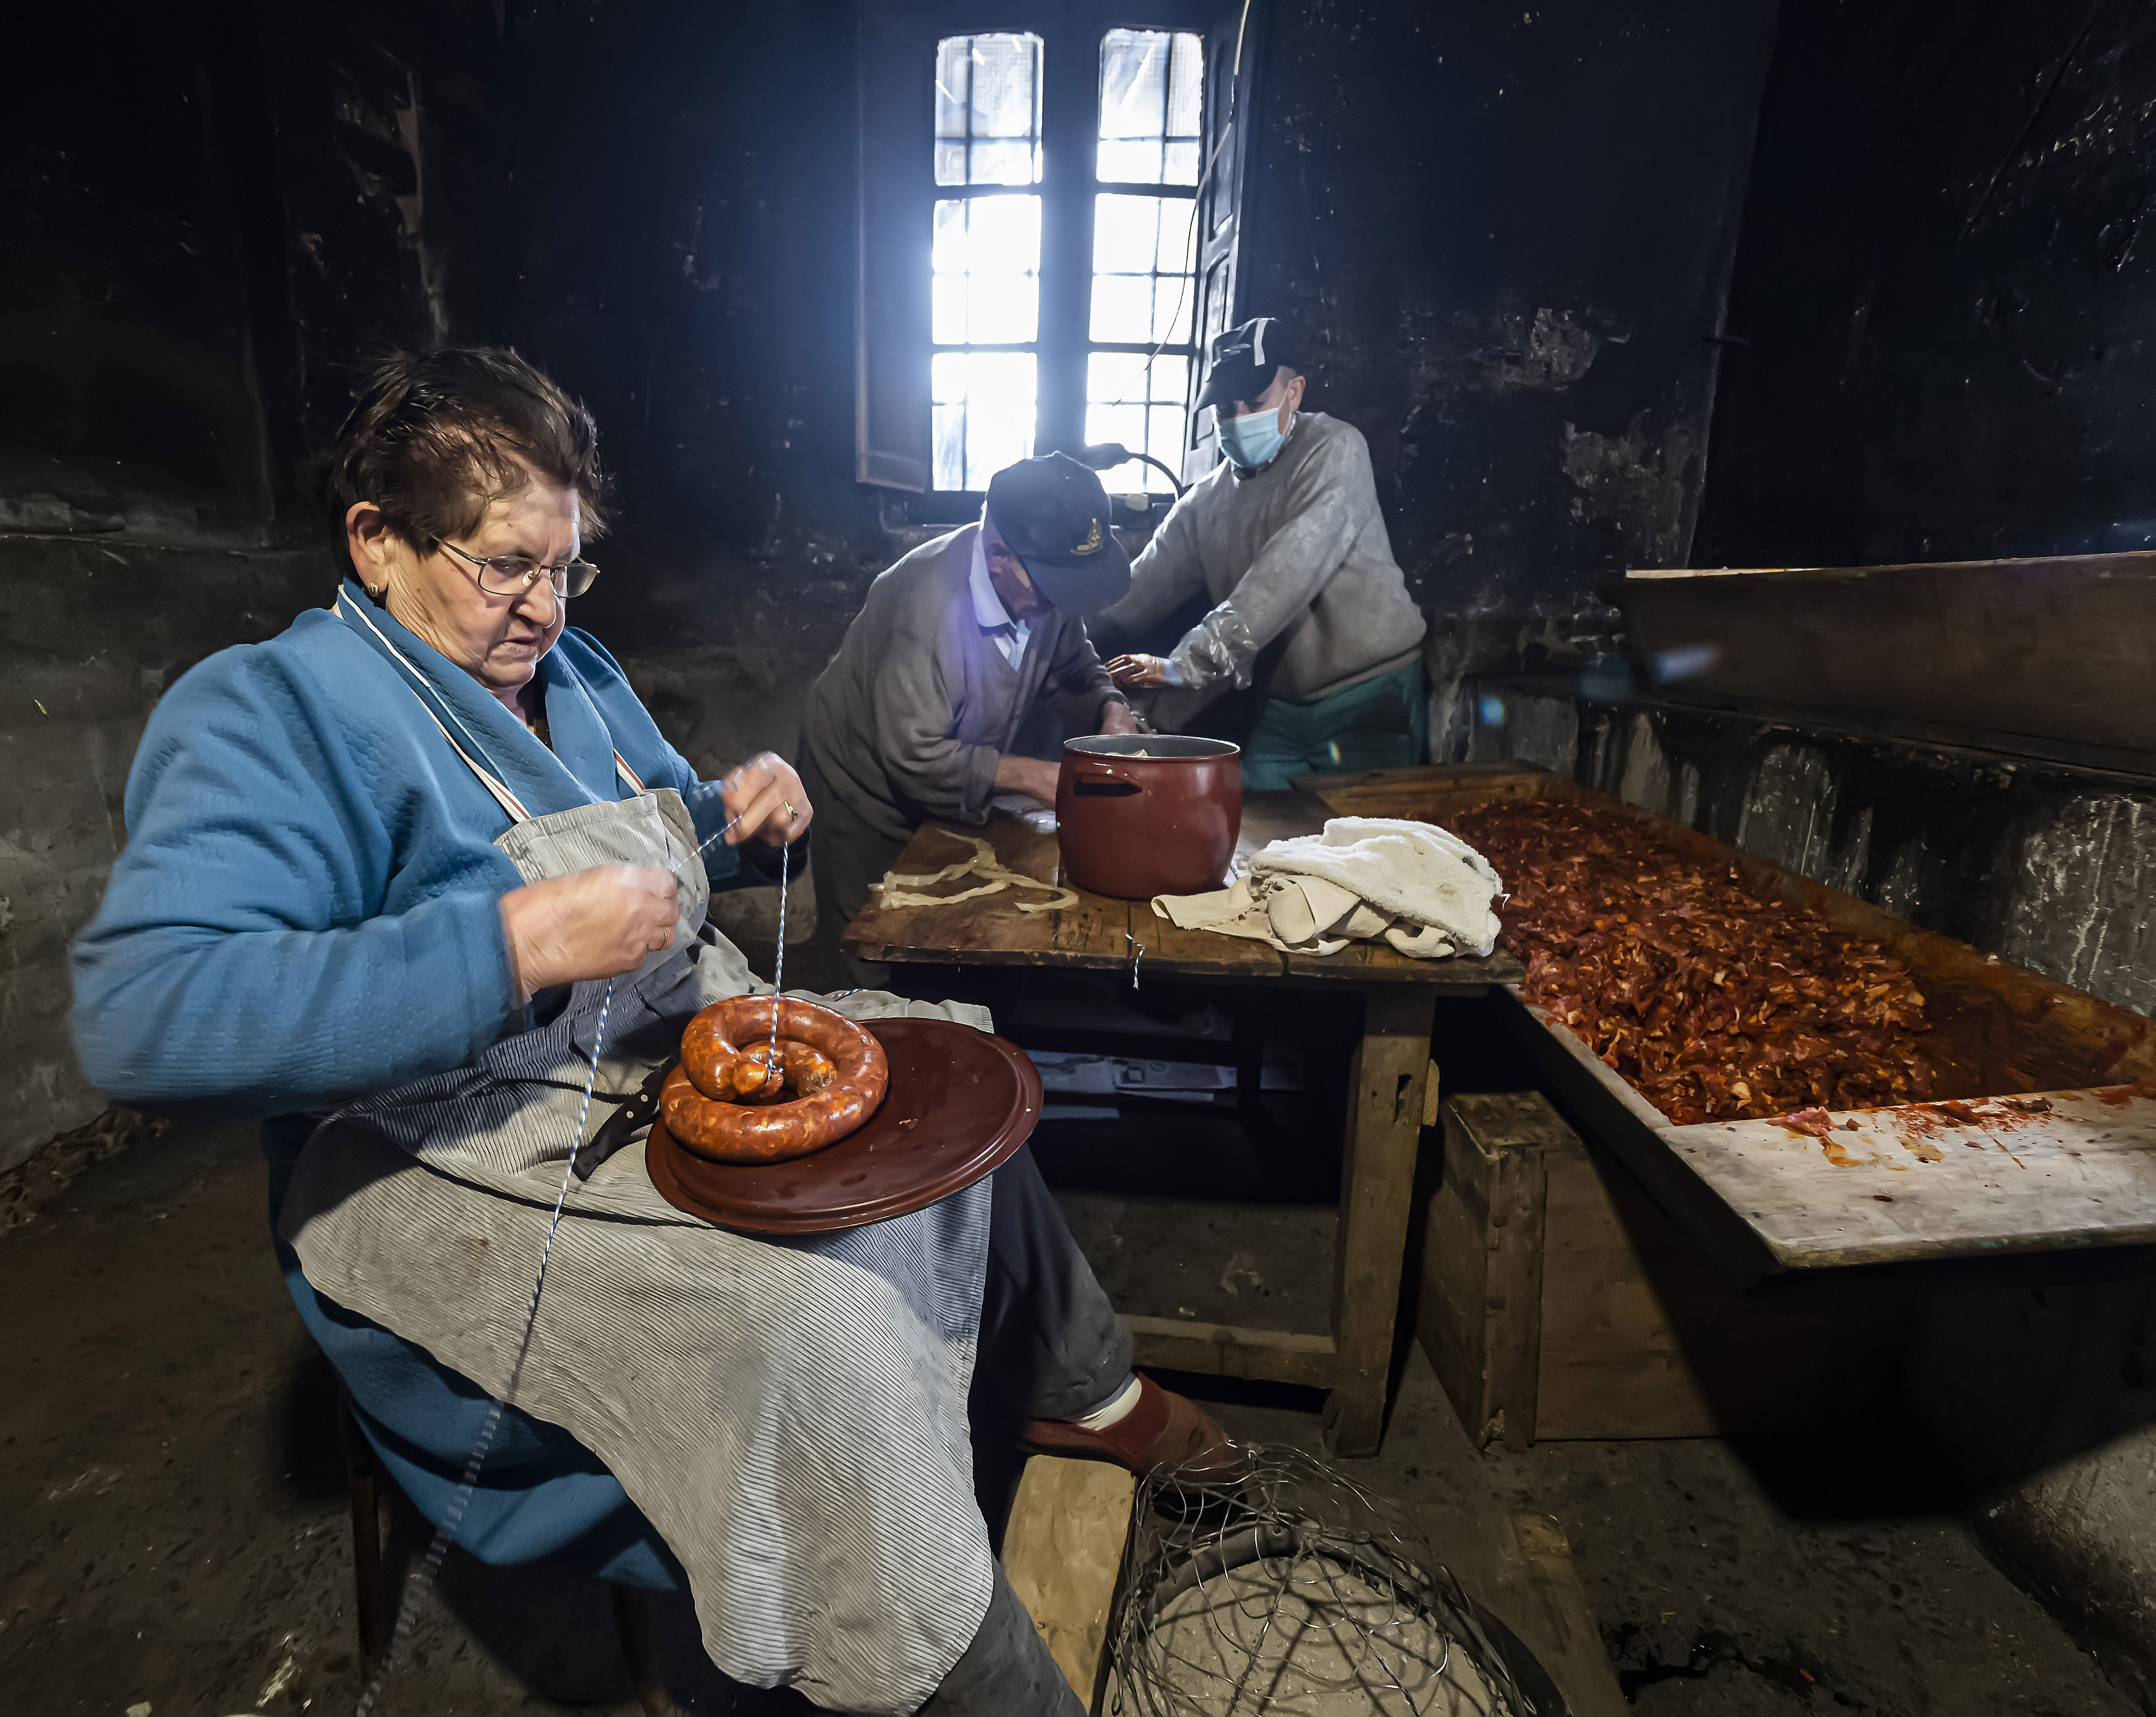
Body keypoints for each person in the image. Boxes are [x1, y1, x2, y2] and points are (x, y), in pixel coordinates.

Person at [69, 349, 1234, 1717]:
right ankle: (959, 1665)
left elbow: (661, 823)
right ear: (377, 542)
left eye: (568, 567)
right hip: (439, 1144)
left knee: (957, 1069)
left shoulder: (572, 665)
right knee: (821, 1326)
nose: (545, 606)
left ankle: (1080, 1389)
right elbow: (146, 1014)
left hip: (654, 1048)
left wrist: (735, 817)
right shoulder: (272, 710)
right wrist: (505, 945)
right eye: (506, 566)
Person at [799, 452, 1138, 949]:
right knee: (874, 936)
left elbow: (1074, 665)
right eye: (1052, 589)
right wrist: (1032, 777)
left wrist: (1111, 707)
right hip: (860, 781)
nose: (1059, 604)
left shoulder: (1043, 586)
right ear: (999, 556)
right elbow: (914, 755)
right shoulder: (929, 612)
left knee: (947, 927)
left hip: (945, 767)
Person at [1099, 317, 1430, 789]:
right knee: (1258, 827)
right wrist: (1061, 636)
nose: (1238, 419)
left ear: (1294, 392)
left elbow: (1279, 580)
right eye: (1224, 408)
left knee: (1363, 831)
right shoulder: (1206, 502)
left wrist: (1182, 667)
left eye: (1254, 403)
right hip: (1282, 707)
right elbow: (1138, 590)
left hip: (1370, 699)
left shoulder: (1335, 451)